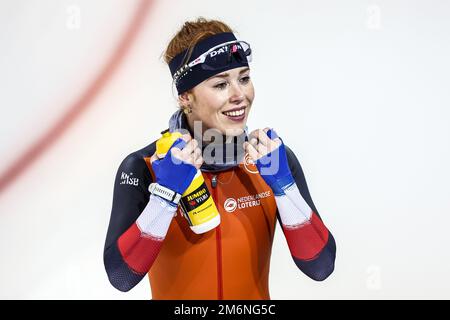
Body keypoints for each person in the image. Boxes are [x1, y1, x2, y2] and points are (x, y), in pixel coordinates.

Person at [103, 17, 336, 299]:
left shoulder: (273, 159)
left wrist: (285, 190)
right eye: (220, 85)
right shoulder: (145, 167)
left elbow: (321, 267)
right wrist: (164, 196)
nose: (240, 95)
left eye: (244, 78)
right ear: (186, 97)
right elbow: (121, 277)